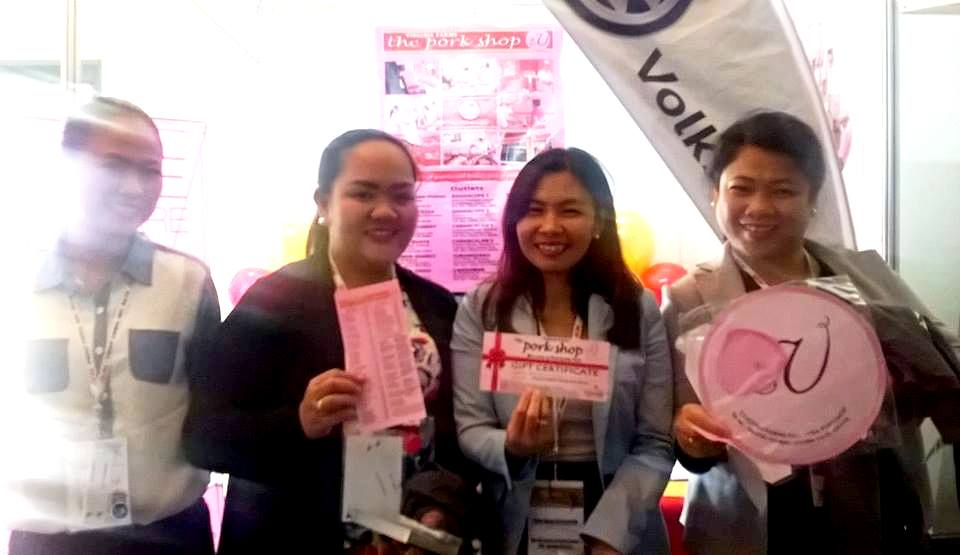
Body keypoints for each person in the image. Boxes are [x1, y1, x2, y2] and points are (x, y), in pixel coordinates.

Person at [663, 111, 960, 555]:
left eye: (783, 190)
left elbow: (943, 362)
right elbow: (675, 429)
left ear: (813, 199)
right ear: (715, 194)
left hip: (872, 510)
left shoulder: (865, 275)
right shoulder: (689, 299)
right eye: (741, 188)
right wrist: (692, 439)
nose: (759, 208)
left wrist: (897, 384)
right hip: (754, 522)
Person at [183, 129, 478, 553]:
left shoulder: (435, 305)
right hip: (296, 536)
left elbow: (454, 435)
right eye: (363, 194)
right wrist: (299, 422)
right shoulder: (274, 302)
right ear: (323, 203)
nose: (385, 211)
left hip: (409, 539)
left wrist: (440, 508)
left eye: (401, 195)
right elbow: (203, 438)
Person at [8, 97, 219, 554]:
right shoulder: (12, 282)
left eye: (150, 170)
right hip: (49, 541)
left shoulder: (187, 282)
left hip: (168, 537)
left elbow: (215, 416)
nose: (134, 187)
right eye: (114, 166)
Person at [452, 147, 675, 555]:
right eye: (534, 210)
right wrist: (512, 447)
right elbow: (471, 428)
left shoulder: (636, 307)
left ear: (598, 221)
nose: (550, 227)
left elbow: (655, 441)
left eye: (570, 211)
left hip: (617, 512)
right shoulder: (482, 308)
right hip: (517, 511)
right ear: (515, 221)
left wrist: (612, 535)